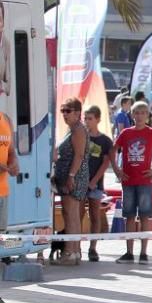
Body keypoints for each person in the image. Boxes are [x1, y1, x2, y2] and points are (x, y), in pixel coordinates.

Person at [112, 102, 152, 263]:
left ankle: (144, 253)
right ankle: (129, 252)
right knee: (129, 217)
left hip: (145, 182)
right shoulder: (125, 133)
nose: (139, 116)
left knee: (145, 217)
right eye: (136, 113)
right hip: (128, 181)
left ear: (147, 115)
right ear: (132, 115)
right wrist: (117, 170)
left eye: (142, 113)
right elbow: (112, 151)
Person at [51, 98, 90, 265]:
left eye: (68, 111)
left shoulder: (78, 130)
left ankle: (69, 252)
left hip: (73, 177)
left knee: (71, 214)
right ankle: (74, 251)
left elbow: (79, 155)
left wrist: (71, 176)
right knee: (71, 214)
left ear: (77, 112)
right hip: (68, 176)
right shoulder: (72, 129)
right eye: (63, 111)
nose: (64, 114)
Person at [83, 106, 113, 262]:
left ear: (98, 119)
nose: (87, 121)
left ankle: (92, 248)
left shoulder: (105, 140)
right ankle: (75, 247)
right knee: (78, 214)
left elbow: (106, 162)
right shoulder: (81, 136)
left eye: (90, 118)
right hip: (80, 183)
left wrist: (93, 181)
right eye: (85, 118)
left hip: (95, 184)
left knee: (95, 215)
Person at [0, 108, 18, 303]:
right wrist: (5, 168)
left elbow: (11, 151)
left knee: (1, 247)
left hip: (3, 193)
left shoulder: (5, 119)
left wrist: (13, 164)